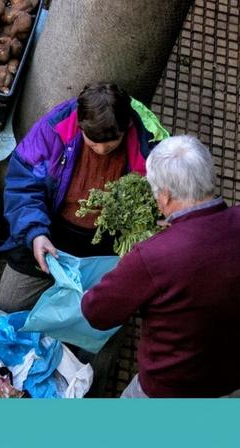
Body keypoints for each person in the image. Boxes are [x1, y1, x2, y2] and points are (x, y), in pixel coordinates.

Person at [81, 135, 240, 398]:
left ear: (165, 195)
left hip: (169, 390)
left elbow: (96, 312)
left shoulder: (151, 256)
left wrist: (130, 266)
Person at [0, 82, 167, 312]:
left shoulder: (150, 149)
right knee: (8, 304)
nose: (102, 151)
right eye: (93, 144)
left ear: (126, 127)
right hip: (50, 228)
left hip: (106, 246)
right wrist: (35, 233)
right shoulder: (55, 129)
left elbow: (167, 202)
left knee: (98, 317)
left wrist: (157, 223)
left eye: (111, 145)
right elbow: (23, 184)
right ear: (80, 125)